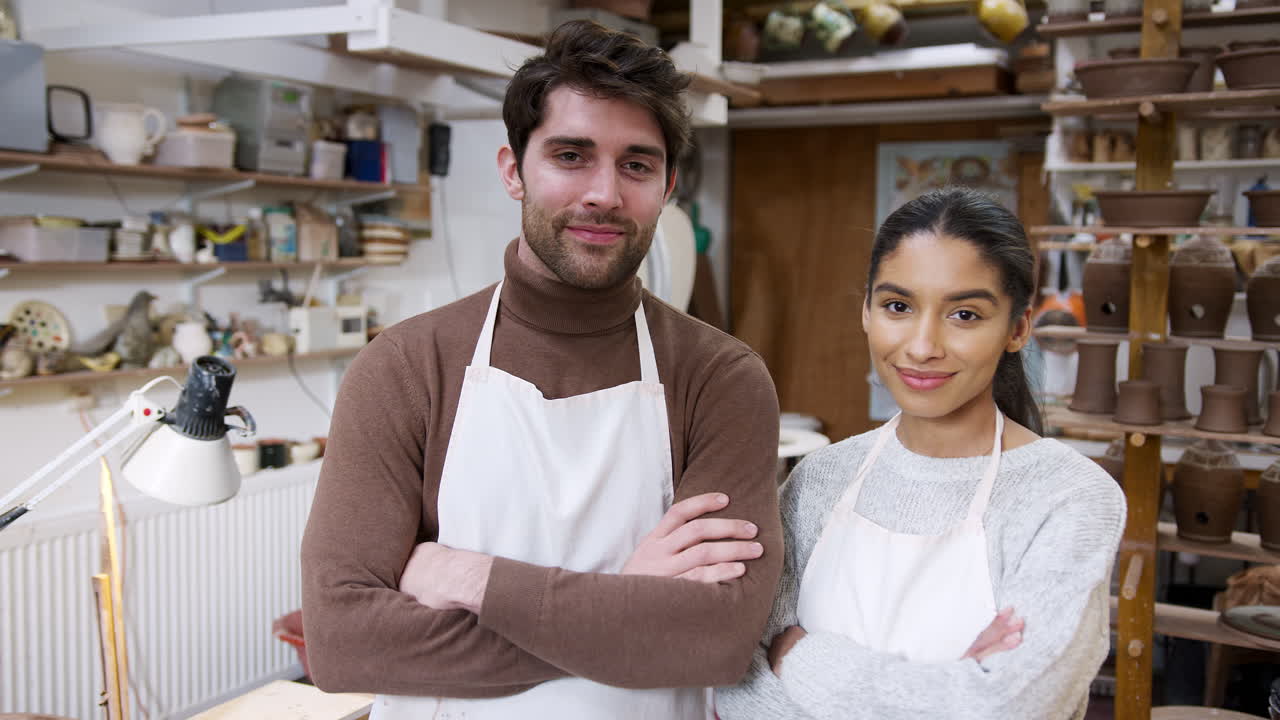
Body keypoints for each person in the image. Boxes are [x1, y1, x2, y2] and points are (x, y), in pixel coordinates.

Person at [300, 20, 783, 720]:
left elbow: (715, 640)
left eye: (636, 165)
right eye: (570, 155)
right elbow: (344, 644)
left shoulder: (721, 379)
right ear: (512, 170)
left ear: (668, 184)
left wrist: (472, 577)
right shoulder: (407, 367)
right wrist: (626, 606)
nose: (603, 194)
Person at [716, 187, 1126, 720]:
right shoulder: (820, 480)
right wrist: (945, 692)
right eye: (898, 306)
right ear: (866, 310)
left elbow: (1009, 707)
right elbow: (737, 679)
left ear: (1018, 328)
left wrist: (801, 656)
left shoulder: (1067, 498)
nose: (922, 345)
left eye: (965, 315)